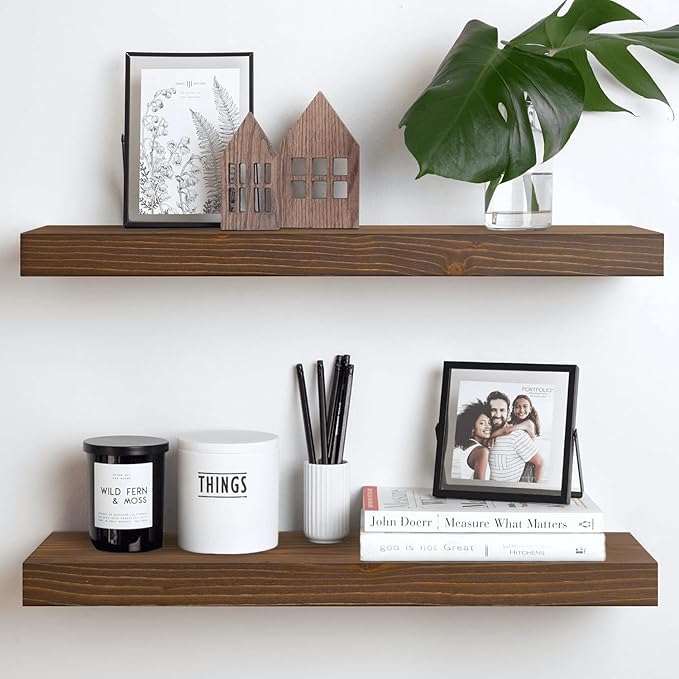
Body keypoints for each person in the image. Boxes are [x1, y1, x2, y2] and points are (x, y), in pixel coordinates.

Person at [486, 391, 543, 483]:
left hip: (528, 462)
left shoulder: (528, 423)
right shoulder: (515, 423)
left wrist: (489, 437)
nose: (521, 410)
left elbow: (506, 431)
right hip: (522, 458)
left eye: (525, 406)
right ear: (513, 409)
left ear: (530, 409)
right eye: (517, 407)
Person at [451, 400, 492, 480]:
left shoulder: (458, 448)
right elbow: (479, 484)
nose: (488, 426)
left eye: (489, 422)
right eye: (482, 423)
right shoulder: (481, 451)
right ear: (472, 427)